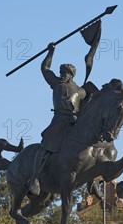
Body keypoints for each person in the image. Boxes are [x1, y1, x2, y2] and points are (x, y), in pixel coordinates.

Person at [28, 43, 86, 195]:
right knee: (45, 146)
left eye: (63, 72)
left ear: (70, 74)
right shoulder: (56, 84)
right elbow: (45, 69)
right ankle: (34, 178)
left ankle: (91, 182)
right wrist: (50, 52)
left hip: (74, 122)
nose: (61, 74)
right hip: (59, 120)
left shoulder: (81, 91)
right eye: (60, 72)